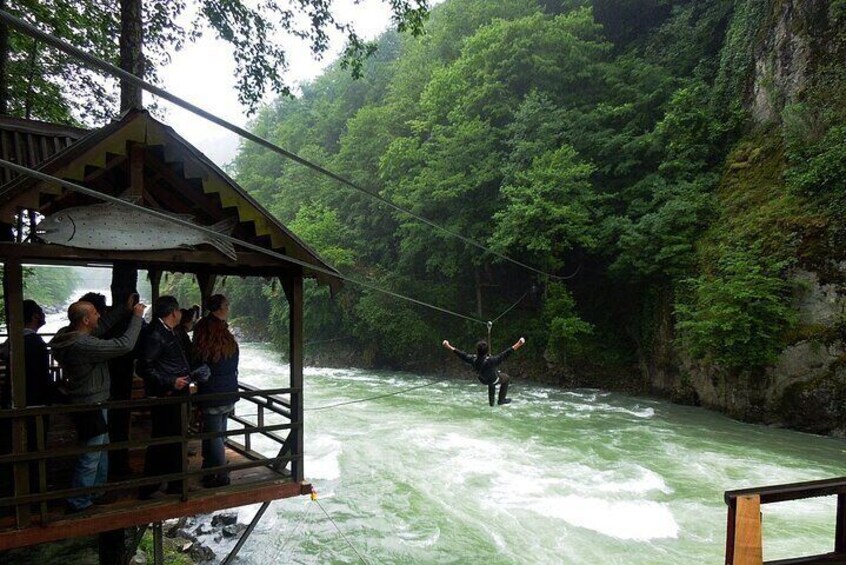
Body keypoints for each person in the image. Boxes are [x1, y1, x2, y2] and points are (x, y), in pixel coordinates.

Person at [49, 295, 145, 512]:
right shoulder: (82, 344)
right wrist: (137, 317)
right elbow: (124, 345)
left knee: (100, 450)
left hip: (89, 400)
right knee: (91, 455)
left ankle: (96, 491)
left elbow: (100, 328)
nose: (98, 315)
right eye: (94, 313)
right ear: (84, 320)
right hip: (91, 403)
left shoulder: (69, 335)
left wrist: (123, 309)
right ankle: (79, 501)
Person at [137, 295, 191, 499]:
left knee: (174, 439)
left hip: (175, 394)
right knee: (163, 439)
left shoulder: (168, 332)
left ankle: (175, 482)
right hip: (166, 395)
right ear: (172, 313)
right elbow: (144, 367)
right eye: (178, 310)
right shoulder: (156, 334)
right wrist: (170, 382)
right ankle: (151, 485)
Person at [0, 300, 53, 498]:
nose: (43, 315)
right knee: (34, 446)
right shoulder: (34, 344)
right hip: (33, 404)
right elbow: (39, 379)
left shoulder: (13, 342)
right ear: (34, 316)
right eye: (40, 312)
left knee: (15, 446)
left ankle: (17, 489)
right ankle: (32, 491)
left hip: (14, 401)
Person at [192, 294, 239, 488]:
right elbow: (233, 360)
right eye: (226, 305)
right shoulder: (226, 335)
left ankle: (215, 471)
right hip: (228, 389)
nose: (228, 308)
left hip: (211, 390)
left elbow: (197, 359)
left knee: (213, 434)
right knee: (219, 433)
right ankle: (218, 472)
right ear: (219, 309)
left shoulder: (202, 330)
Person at [442, 336, 526, 406]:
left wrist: (448, 346)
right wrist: (519, 344)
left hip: (483, 380)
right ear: (487, 351)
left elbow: (461, 354)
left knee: (492, 378)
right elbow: (505, 354)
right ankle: (501, 400)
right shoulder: (491, 360)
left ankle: (491, 403)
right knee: (506, 378)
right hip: (493, 379)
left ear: (477, 351)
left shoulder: (473, 359)